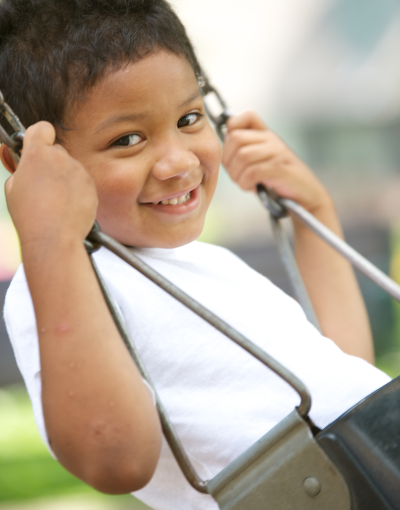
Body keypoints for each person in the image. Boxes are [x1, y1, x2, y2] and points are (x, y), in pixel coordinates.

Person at [1, 1, 390, 509]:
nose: (178, 161)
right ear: (25, 157)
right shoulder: (60, 282)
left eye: (189, 118)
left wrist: (312, 215)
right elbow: (116, 459)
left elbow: (343, 381)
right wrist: (49, 238)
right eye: (128, 139)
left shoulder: (206, 265)